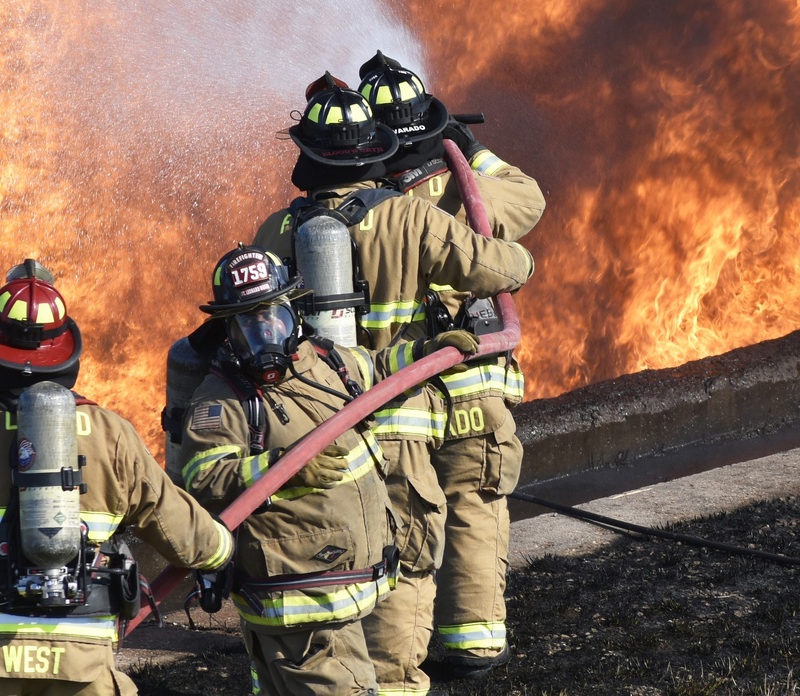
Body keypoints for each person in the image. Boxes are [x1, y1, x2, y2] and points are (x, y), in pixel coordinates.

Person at [252, 76, 535, 696]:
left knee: (337, 552)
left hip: (315, 426)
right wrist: (521, 260)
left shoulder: (274, 231)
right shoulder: (407, 216)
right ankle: (394, 679)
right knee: (406, 547)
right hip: (400, 411)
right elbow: (500, 264)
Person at [0, 259, 234, 696]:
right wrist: (223, 548)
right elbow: (188, 537)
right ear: (65, 354)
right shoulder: (111, 433)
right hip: (79, 663)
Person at [177, 244, 479, 696]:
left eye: (273, 316)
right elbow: (201, 479)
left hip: (341, 589)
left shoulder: (325, 360)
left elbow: (376, 369)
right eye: (248, 323)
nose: (264, 333)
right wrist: (285, 468)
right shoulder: (220, 400)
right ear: (229, 331)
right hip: (300, 606)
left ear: (293, 312)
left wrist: (425, 351)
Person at [356, 51, 546, 681]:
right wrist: (468, 146)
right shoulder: (469, 189)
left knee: (405, 523)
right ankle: (474, 641)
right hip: (476, 384)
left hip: (399, 391)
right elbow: (528, 198)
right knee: (476, 503)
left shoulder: (366, 211)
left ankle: (395, 665)